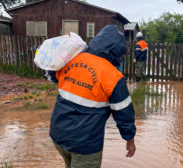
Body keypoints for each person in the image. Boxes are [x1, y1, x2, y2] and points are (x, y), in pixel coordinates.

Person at [44, 25, 136, 168]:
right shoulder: (113, 76)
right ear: (117, 51)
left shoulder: (72, 60)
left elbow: (50, 74)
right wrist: (129, 139)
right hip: (85, 145)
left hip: (58, 135)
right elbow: (124, 112)